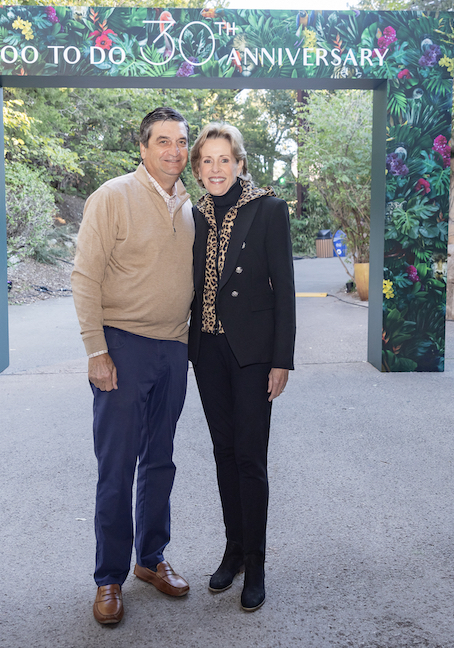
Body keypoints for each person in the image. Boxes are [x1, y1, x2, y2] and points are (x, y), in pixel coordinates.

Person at [71, 107, 195, 626]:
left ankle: (150, 559)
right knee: (117, 468)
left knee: (160, 461)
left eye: (181, 141)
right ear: (143, 148)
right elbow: (84, 276)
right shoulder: (112, 196)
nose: (174, 150)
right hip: (121, 346)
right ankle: (108, 578)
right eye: (162, 141)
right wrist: (96, 350)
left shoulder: (193, 206)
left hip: (174, 348)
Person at [187, 123, 296, 612]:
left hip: (252, 354)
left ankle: (256, 562)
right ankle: (232, 550)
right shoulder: (194, 217)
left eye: (224, 159)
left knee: (251, 457)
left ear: (240, 163)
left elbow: (285, 291)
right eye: (207, 161)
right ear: (197, 168)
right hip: (208, 351)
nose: (216, 168)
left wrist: (281, 359)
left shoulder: (269, 209)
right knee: (223, 452)